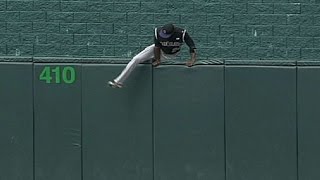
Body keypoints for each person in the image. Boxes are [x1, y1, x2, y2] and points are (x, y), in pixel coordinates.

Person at [108, 23, 197, 88]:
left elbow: (192, 46)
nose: (164, 35)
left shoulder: (181, 33)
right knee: (136, 59)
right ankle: (118, 81)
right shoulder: (158, 31)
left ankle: (153, 59)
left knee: (153, 61)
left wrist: (192, 60)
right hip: (158, 50)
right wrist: (158, 60)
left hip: (170, 55)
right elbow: (157, 47)